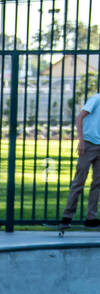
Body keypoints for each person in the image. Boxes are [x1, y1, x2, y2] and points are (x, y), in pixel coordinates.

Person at [60, 89, 100, 228]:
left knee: (97, 184)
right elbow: (79, 117)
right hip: (88, 144)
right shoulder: (96, 99)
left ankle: (91, 218)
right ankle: (67, 217)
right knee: (79, 181)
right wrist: (81, 141)